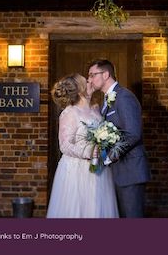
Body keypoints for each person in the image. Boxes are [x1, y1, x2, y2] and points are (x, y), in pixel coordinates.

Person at [46, 73, 119, 218]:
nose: (90, 81)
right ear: (79, 89)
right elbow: (65, 145)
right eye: (86, 81)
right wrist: (89, 151)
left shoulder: (96, 109)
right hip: (76, 170)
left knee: (97, 208)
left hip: (98, 168)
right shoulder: (70, 112)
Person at [88, 59, 151, 218]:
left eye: (92, 75)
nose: (89, 79)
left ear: (106, 74)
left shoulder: (124, 97)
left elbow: (133, 134)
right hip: (117, 172)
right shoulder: (106, 100)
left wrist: (109, 158)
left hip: (130, 170)